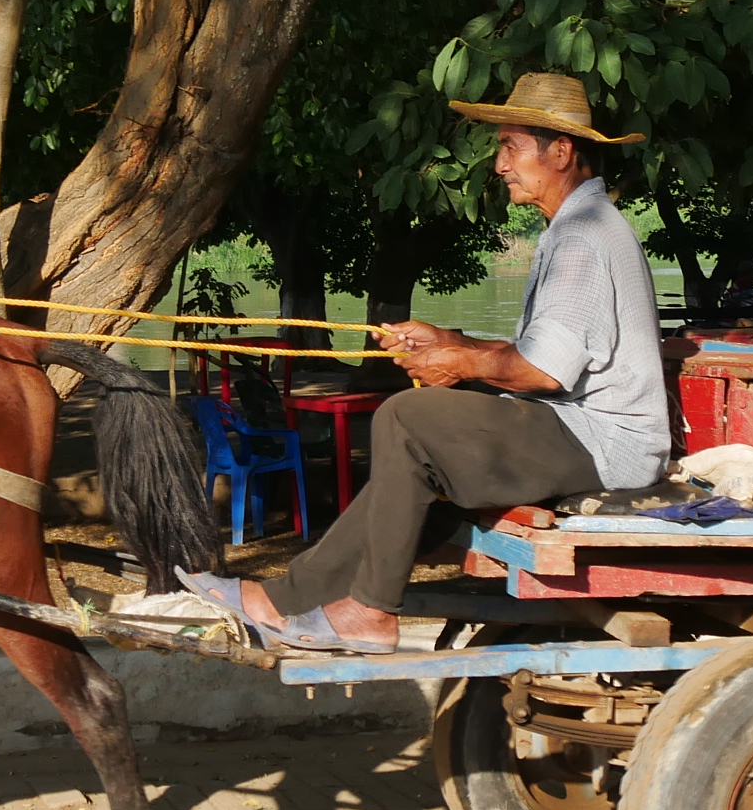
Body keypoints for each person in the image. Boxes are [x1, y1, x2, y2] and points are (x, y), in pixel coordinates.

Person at [185, 72, 667, 650]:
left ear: (561, 152)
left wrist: (457, 362)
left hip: (604, 443)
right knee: (420, 445)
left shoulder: (584, 236)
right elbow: (541, 353)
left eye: (510, 147)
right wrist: (447, 340)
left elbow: (542, 372)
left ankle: (371, 610)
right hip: (578, 429)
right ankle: (285, 598)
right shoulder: (579, 227)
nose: (499, 165)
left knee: (407, 418)